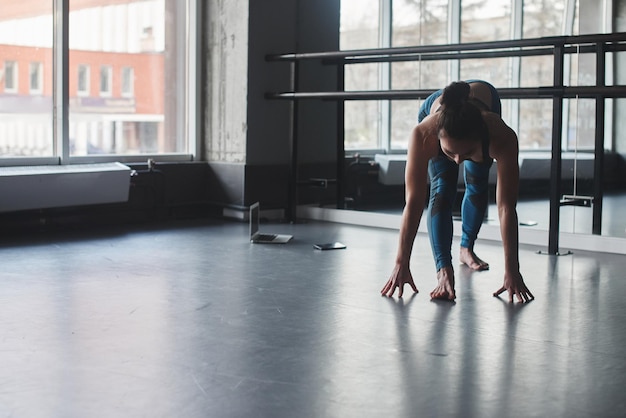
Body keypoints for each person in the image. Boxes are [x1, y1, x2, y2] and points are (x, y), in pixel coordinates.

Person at [380, 80, 534, 303]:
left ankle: (466, 248)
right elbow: (413, 202)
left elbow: (506, 207)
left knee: (477, 182)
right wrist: (400, 263)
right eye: (450, 153)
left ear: (480, 140)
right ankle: (444, 271)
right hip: (437, 113)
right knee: (442, 189)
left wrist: (512, 270)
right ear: (438, 139)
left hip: (485, 103)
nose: (458, 160)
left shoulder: (501, 136)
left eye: (467, 152)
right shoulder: (424, 133)